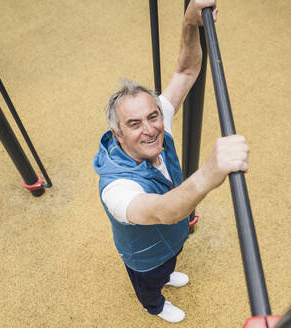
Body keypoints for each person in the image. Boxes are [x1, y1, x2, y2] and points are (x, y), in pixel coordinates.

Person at [93, 0, 250, 323]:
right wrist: (210, 171)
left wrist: (189, 23)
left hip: (172, 238)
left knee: (172, 260)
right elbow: (164, 210)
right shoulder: (117, 189)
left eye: (153, 116)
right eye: (134, 124)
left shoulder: (156, 123)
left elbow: (187, 71)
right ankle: (154, 304)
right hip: (145, 257)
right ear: (118, 134)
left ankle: (167, 274)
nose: (150, 129)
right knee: (150, 281)